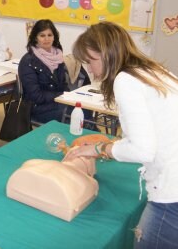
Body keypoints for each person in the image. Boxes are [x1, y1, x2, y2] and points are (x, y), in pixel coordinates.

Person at [65, 22, 178, 249]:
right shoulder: (152, 70)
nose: (91, 71)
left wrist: (99, 149)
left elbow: (143, 149)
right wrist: (112, 145)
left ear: (107, 53)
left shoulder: (125, 80)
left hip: (171, 190)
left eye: (91, 61)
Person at [18, 19, 67, 123]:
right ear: (36, 38)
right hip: (36, 108)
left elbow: (64, 85)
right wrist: (61, 95)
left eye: (50, 35)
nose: (46, 39)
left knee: (80, 109)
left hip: (56, 103)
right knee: (71, 113)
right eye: (42, 35)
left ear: (54, 37)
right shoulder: (28, 61)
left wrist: (67, 96)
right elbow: (36, 96)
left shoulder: (58, 57)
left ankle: (93, 137)